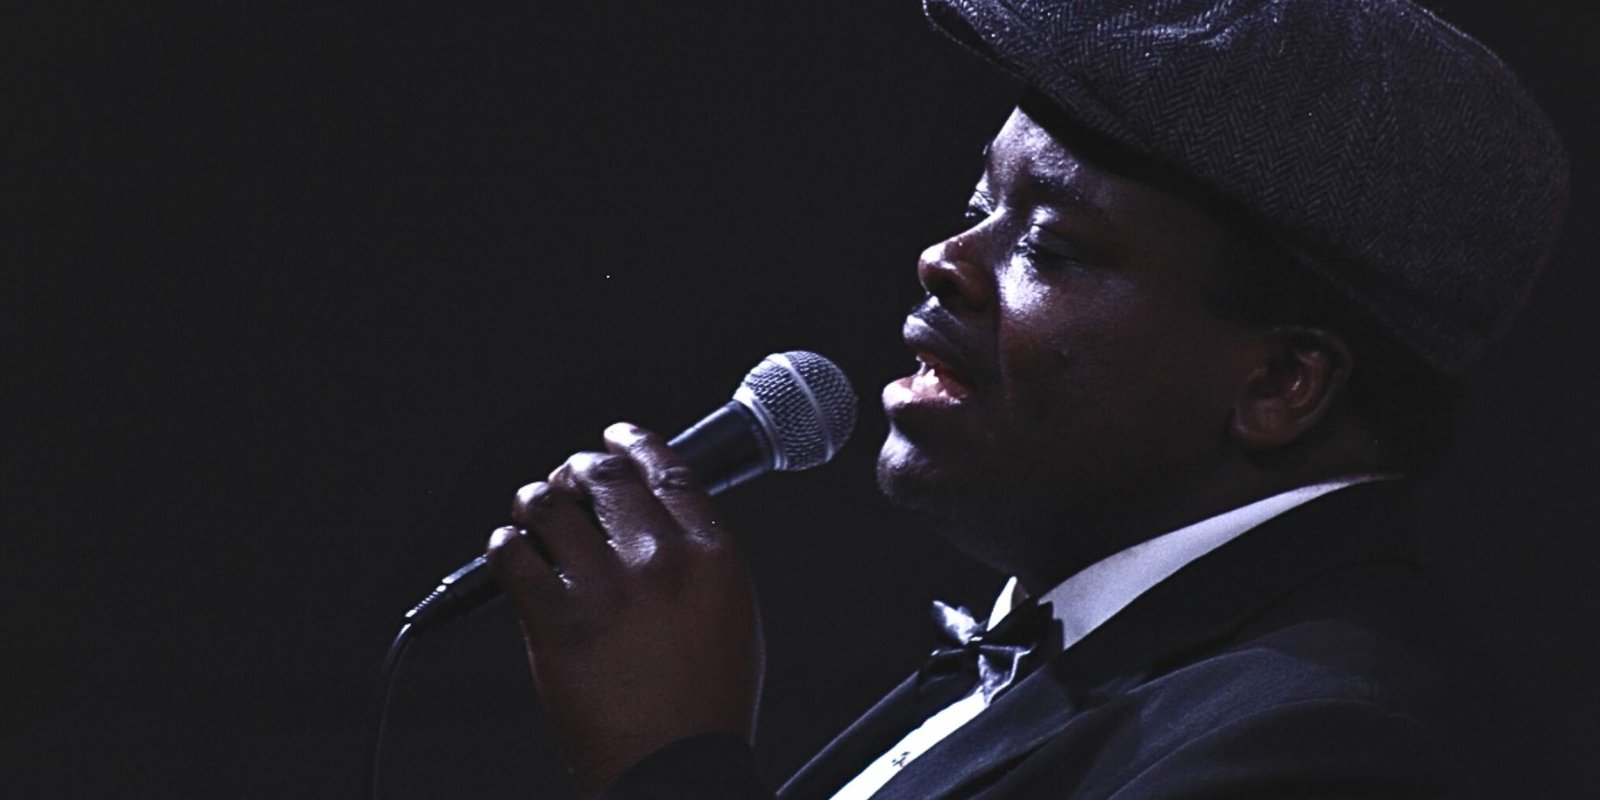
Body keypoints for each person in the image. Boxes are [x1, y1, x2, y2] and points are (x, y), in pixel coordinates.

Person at [482, 0, 1568, 797]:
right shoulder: (1061, 658)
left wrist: (667, 764)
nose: (942, 258)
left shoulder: (1331, 745)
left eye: (1046, 240)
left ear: (1280, 382)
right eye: (974, 204)